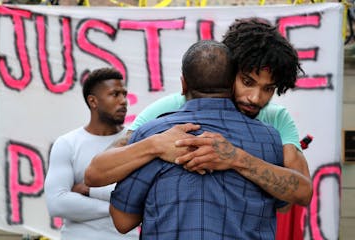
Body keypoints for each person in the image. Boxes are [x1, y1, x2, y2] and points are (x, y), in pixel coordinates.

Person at [85, 18, 312, 208]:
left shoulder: (276, 118)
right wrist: (154, 145)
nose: (255, 97)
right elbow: (96, 173)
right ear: (228, 69)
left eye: (268, 89)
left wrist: (236, 158)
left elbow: (303, 192)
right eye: (247, 81)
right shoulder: (168, 109)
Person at [110, 39, 286, 239]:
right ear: (232, 83)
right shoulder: (269, 138)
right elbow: (285, 203)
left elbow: (122, 221)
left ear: (184, 84)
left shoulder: (154, 133)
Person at [44, 67, 138, 240]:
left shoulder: (136, 141)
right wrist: (116, 209)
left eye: (124, 94)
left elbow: (138, 196)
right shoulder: (67, 144)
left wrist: (89, 191)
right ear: (93, 101)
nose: (124, 101)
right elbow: (57, 204)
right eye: (115, 94)